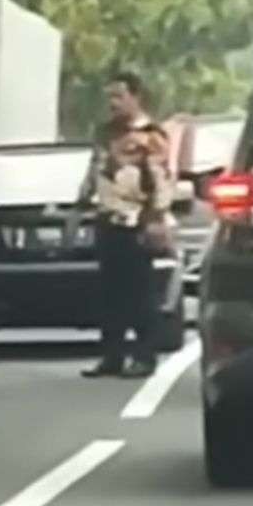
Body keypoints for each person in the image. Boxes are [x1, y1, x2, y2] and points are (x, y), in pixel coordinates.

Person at [78, 72, 173, 379]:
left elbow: (162, 181)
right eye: (110, 97)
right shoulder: (105, 133)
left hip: (137, 222)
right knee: (110, 294)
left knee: (140, 293)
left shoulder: (151, 134)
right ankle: (112, 356)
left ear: (136, 97)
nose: (113, 103)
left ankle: (145, 356)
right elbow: (96, 169)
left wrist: (155, 219)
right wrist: (83, 197)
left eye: (119, 96)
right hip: (108, 219)